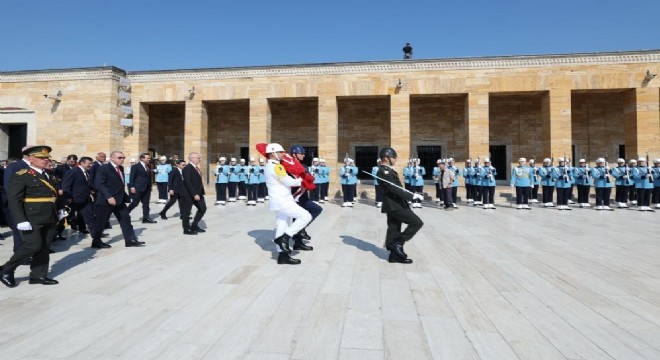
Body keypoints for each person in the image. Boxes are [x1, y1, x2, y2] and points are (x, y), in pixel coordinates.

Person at [1, 145, 63, 288]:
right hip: (31, 217)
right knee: (33, 245)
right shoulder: (22, 174)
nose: (45, 160)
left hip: (49, 215)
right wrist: (20, 220)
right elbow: (13, 199)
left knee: (44, 247)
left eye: (46, 157)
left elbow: (54, 194)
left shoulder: (49, 174)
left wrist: (60, 209)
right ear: (30, 158)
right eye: (40, 158)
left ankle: (38, 275)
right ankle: (6, 270)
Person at [262, 143, 312, 265]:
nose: (283, 154)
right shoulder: (275, 167)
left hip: (279, 200)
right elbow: (289, 182)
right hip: (283, 200)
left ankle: (282, 256)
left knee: (282, 225)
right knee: (306, 216)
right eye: (280, 152)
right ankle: (284, 238)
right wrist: (302, 179)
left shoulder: (272, 166)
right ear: (273, 154)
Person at [377, 147, 423, 264]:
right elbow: (393, 189)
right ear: (386, 159)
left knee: (394, 228)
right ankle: (398, 242)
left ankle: (394, 256)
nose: (396, 159)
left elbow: (397, 188)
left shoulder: (388, 170)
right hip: (394, 205)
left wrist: (411, 194)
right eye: (394, 157)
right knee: (416, 222)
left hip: (395, 204)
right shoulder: (383, 171)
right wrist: (412, 197)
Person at [92, 151, 144, 248]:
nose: (122, 159)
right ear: (112, 158)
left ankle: (130, 240)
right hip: (106, 200)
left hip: (119, 200)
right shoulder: (104, 168)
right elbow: (100, 184)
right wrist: (109, 196)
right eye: (119, 157)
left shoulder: (120, 168)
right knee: (101, 222)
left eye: (123, 157)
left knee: (126, 219)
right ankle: (96, 241)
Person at [2, 148, 32, 253]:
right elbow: (9, 187)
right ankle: (20, 255)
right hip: (20, 204)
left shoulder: (35, 167)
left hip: (33, 206)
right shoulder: (15, 166)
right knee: (20, 231)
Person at [61, 156, 95, 238]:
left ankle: (95, 234)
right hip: (74, 199)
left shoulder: (87, 172)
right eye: (89, 164)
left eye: (91, 164)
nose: (90, 165)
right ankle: (58, 233)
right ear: (82, 163)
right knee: (68, 217)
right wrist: (68, 197)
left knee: (89, 216)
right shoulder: (73, 171)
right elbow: (66, 185)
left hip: (85, 199)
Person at [180, 152, 207, 234]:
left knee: (202, 208)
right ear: (192, 158)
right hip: (189, 194)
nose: (199, 159)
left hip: (198, 193)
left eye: (199, 158)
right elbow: (188, 182)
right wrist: (194, 194)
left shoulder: (196, 168)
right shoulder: (187, 168)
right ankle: (186, 229)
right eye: (198, 158)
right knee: (187, 212)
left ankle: (194, 225)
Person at [127, 153, 157, 223]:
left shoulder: (148, 166)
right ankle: (125, 214)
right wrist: (132, 187)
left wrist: (150, 186)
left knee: (146, 204)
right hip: (138, 188)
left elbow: (149, 177)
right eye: (147, 158)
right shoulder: (135, 166)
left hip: (147, 188)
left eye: (149, 158)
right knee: (135, 203)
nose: (149, 159)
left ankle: (146, 218)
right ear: (142, 158)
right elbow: (132, 177)